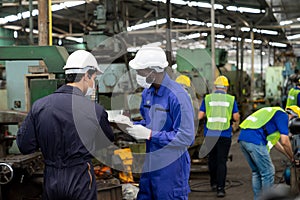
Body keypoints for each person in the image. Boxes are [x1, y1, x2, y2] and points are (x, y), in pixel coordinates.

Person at [16, 50, 114, 200]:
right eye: (94, 78)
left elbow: (25, 146)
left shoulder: (40, 106)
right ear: (87, 75)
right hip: (80, 177)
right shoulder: (95, 110)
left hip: (51, 179)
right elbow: (104, 144)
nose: (93, 83)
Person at [126, 46, 195, 200]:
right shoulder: (147, 92)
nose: (138, 75)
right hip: (151, 163)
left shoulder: (178, 96)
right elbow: (149, 123)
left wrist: (151, 135)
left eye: (141, 71)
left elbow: (186, 137)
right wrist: (130, 126)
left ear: (154, 70)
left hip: (171, 168)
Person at [238, 106, 296, 200]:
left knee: (257, 172)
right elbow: (285, 141)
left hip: (243, 138)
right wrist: (292, 156)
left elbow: (275, 143)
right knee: (268, 172)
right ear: (292, 116)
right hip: (255, 139)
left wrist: (288, 156)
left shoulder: (274, 114)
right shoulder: (283, 116)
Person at [198, 75, 240, 198]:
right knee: (222, 161)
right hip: (224, 134)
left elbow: (200, 116)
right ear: (226, 87)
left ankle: (213, 184)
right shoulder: (231, 99)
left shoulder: (208, 98)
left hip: (210, 134)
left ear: (215, 87)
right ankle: (221, 189)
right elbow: (236, 117)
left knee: (212, 159)